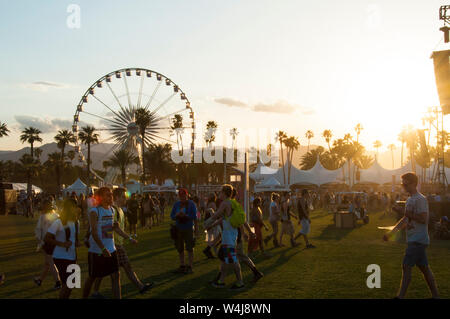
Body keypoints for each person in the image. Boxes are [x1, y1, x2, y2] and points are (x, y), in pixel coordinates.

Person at [382, 172, 439, 299]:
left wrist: (404, 212)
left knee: (406, 266)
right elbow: (405, 219)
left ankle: (400, 296)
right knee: (425, 269)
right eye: (402, 183)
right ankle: (436, 296)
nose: (403, 186)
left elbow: (424, 219)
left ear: (413, 183)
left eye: (405, 183)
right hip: (415, 239)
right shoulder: (410, 200)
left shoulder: (421, 199)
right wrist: (391, 233)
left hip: (418, 239)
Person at [91, 188, 153, 297]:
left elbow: (116, 227)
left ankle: (95, 291)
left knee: (106, 271)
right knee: (119, 271)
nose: (125, 198)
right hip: (114, 245)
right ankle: (140, 287)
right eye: (123, 196)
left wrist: (128, 238)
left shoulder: (116, 210)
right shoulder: (111, 209)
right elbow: (108, 229)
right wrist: (107, 245)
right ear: (117, 197)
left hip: (114, 245)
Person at [82, 187, 131, 299]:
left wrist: (128, 238)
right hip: (97, 251)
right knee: (92, 277)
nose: (111, 197)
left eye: (111, 194)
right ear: (100, 197)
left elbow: (111, 229)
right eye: (107, 195)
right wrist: (103, 249)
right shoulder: (95, 211)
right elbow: (94, 233)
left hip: (111, 249)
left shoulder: (112, 210)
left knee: (116, 276)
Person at [207, 185, 245, 290]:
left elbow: (217, 215)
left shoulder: (225, 203)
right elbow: (223, 218)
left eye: (220, 192)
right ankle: (221, 281)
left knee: (233, 260)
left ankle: (240, 282)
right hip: (230, 235)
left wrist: (208, 219)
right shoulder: (233, 202)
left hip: (228, 236)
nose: (219, 193)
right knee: (224, 260)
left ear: (224, 193)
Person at [44, 198, 80, 299]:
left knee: (72, 283)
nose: (76, 209)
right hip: (61, 256)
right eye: (74, 207)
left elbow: (74, 239)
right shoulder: (58, 222)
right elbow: (47, 238)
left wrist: (77, 242)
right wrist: (62, 244)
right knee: (67, 284)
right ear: (69, 208)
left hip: (72, 256)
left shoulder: (76, 222)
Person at [33, 198, 61, 289]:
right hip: (56, 241)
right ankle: (40, 280)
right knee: (47, 263)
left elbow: (38, 230)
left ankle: (58, 282)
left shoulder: (43, 217)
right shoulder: (57, 216)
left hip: (47, 242)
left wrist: (39, 242)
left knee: (51, 262)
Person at [170, 188, 197, 274]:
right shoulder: (176, 204)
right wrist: (177, 215)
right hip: (179, 228)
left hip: (188, 228)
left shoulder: (191, 204)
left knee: (189, 248)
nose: (182, 197)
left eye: (183, 195)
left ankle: (190, 266)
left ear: (187, 195)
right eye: (180, 195)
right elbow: (172, 216)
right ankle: (182, 265)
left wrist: (185, 215)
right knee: (180, 248)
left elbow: (194, 216)